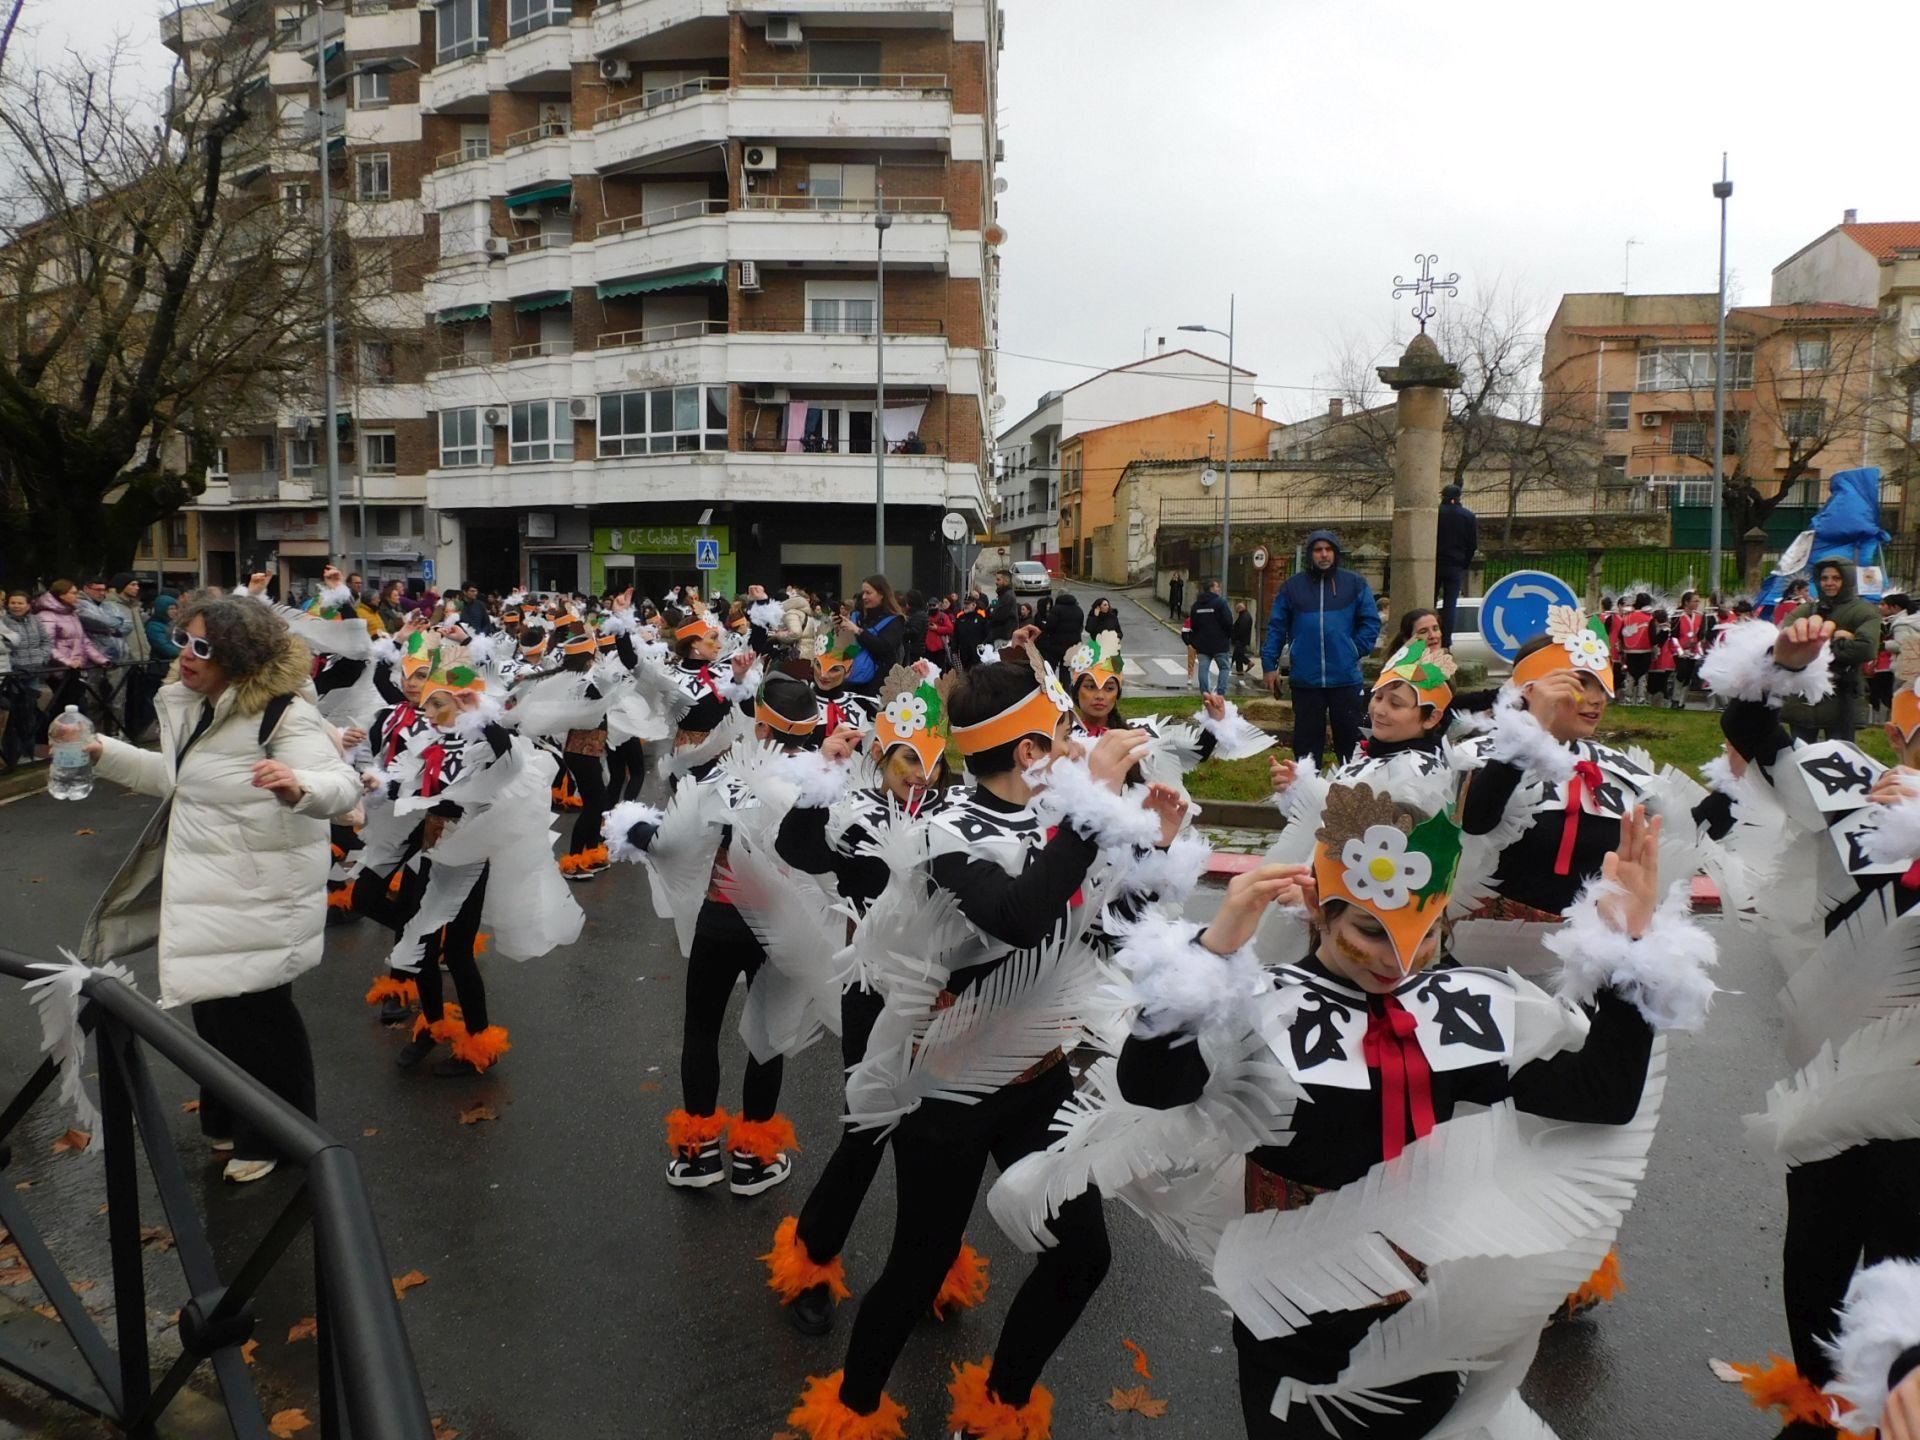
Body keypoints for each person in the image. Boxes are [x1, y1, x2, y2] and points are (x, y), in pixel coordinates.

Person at [1039, 786, 1703, 1440]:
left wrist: (1630, 949)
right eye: (1368, 930)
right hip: (1288, 1322)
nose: (1398, 957)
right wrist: (1213, 954)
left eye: (1427, 932)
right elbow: (1154, 1085)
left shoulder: (1456, 1010)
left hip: (1417, 1323)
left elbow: (1603, 1099)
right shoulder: (1263, 1007)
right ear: (1316, 911)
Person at [789, 654, 1178, 1440]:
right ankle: (854, 1409)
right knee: (920, 1263)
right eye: (1064, 733)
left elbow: (1101, 930)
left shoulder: (1061, 819)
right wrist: (1094, 807)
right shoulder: (945, 830)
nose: (1078, 743)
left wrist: (1155, 851)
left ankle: (997, 1405)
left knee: (1082, 1255)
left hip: (1038, 1075)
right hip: (949, 1087)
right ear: (1030, 752)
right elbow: (1018, 916)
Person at [1703, 617, 1920, 1437]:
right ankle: (1820, 1406)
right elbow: (1751, 730)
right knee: (1820, 1255)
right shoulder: (1857, 790)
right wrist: (1780, 666)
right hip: (1832, 1086)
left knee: (1905, 1272)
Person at [79, 592, 360, 1183]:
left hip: (261, 893)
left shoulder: (283, 711)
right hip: (212, 888)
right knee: (217, 1013)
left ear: (239, 655)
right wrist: (100, 752)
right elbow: (182, 781)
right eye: (184, 639)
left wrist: (297, 784)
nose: (186, 655)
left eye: (203, 646)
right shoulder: (197, 706)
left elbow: (341, 784)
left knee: (259, 1017)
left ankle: (283, 1135)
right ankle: (232, 1116)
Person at [1260, 530, 1381, 765]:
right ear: (1310, 554)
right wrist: (1269, 664)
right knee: (1306, 745)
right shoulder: (1292, 588)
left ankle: (1351, 790)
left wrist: (1354, 649)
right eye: (1318, 550)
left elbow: (1371, 621)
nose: (1324, 555)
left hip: (1345, 679)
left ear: (1335, 553)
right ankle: (1306, 792)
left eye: (1328, 549)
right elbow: (1276, 627)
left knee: (1351, 743)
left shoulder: (1355, 584)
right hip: (1307, 681)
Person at [1780, 560, 1881, 744]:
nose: (1829, 583)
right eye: (1824, 578)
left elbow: (1866, 648)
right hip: (1804, 696)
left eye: (1836, 578)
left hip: (1842, 696)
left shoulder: (1864, 611)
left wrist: (1813, 645)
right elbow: (1785, 639)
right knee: (1801, 758)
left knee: (1839, 760)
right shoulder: (1807, 609)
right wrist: (1837, 639)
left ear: (1847, 580)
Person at [33, 582, 110, 723]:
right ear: (62, 595)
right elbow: (47, 644)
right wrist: (68, 662)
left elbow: (83, 640)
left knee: (73, 704)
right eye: (73, 593)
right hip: (59, 669)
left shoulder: (72, 613)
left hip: (75, 667)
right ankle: (50, 735)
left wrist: (101, 659)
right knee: (66, 705)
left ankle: (66, 735)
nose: (77, 596)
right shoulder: (46, 615)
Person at [0, 591, 53, 769]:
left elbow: (46, 640)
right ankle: (13, 754)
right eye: (12, 602)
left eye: (20, 603)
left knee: (30, 712)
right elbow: (7, 649)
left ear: (28, 605)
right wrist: (16, 666)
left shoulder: (35, 620)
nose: (15, 606)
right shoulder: (5, 621)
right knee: (14, 714)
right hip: (14, 674)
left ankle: (29, 752)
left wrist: (42, 657)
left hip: (34, 671)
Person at [105, 574, 155, 741]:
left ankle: (132, 733)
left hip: (139, 658)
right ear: (122, 586)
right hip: (122, 659)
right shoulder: (112, 606)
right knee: (118, 699)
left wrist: (145, 652)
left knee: (136, 699)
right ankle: (114, 733)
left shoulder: (134, 607)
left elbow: (140, 633)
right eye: (132, 584)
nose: (137, 587)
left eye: (137, 584)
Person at [839, 576, 908, 694]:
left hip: (877, 684)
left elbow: (885, 648)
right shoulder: (857, 616)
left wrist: (858, 631)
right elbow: (849, 647)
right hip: (851, 679)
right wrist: (838, 631)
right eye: (863, 593)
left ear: (881, 594)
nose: (864, 597)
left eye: (868, 593)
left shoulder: (895, 620)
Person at [1435, 482, 1478, 646]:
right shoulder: (1468, 516)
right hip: (1455, 565)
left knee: (1429, 602)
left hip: (1435, 563)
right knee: (1450, 604)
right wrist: (1464, 564)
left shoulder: (1436, 513)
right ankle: (1446, 641)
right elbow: (1472, 545)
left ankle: (1426, 637)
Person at [1187, 579, 1235, 696]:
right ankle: (1220, 693)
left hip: (1202, 643)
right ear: (1212, 589)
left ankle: (1205, 694)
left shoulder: (1196, 605)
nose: (1219, 589)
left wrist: (1196, 639)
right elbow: (1228, 621)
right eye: (1217, 587)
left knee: (1203, 668)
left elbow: (1193, 624)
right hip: (1219, 643)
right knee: (1224, 667)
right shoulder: (1220, 602)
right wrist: (1227, 636)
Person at [1618, 592, 1655, 706]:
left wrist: (1622, 647)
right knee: (1643, 673)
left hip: (1630, 649)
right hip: (1645, 649)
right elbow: (1652, 635)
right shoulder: (1649, 618)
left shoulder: (1627, 617)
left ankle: (1628, 697)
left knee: (1631, 672)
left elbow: (1621, 634)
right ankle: (1641, 698)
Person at [1037, 589, 1083, 669]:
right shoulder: (1078, 609)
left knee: (1051, 668)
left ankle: (1052, 682)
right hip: (1073, 645)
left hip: (1056, 645)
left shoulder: (1056, 609)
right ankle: (1066, 682)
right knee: (1066, 670)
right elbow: (1080, 627)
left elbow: (1049, 626)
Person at [988, 570, 1019, 647]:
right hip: (1002, 636)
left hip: (1003, 638)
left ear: (1006, 581)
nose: (996, 582)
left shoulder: (1007, 596)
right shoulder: (1004, 595)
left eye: (998, 580)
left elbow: (997, 616)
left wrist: (991, 611)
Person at [923, 595, 955, 671]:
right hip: (927, 649)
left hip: (939, 649)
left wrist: (937, 628)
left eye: (934, 605)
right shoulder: (925, 616)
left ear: (938, 605)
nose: (932, 607)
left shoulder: (943, 616)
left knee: (939, 671)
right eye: (930, 605)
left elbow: (950, 629)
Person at [1230, 599, 1254, 675]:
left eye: (1237, 609)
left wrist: (1235, 637)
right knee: (1238, 654)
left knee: (1238, 654)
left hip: (1241, 639)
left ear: (1240, 608)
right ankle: (1239, 670)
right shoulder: (1244, 615)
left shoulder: (1244, 617)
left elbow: (1241, 629)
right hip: (1242, 639)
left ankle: (1248, 662)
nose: (1236, 610)